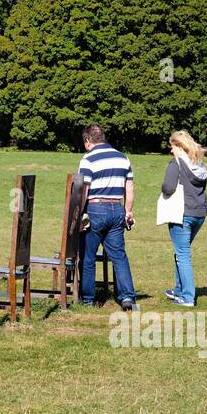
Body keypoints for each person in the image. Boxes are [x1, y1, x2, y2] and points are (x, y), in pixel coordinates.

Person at [77, 123, 138, 310]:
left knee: (88, 256)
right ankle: (127, 297)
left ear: (88, 141)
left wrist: (80, 214)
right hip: (117, 208)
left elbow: (83, 190)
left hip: (95, 209)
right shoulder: (123, 158)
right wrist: (128, 211)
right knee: (119, 256)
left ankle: (88, 299)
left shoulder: (88, 160)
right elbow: (129, 187)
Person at [162, 130, 207, 307]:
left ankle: (188, 297)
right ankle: (179, 290)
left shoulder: (176, 164)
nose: (171, 151)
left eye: (173, 147)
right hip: (199, 214)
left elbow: (168, 188)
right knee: (181, 251)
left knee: (183, 255)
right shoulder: (200, 166)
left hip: (181, 214)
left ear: (180, 146)